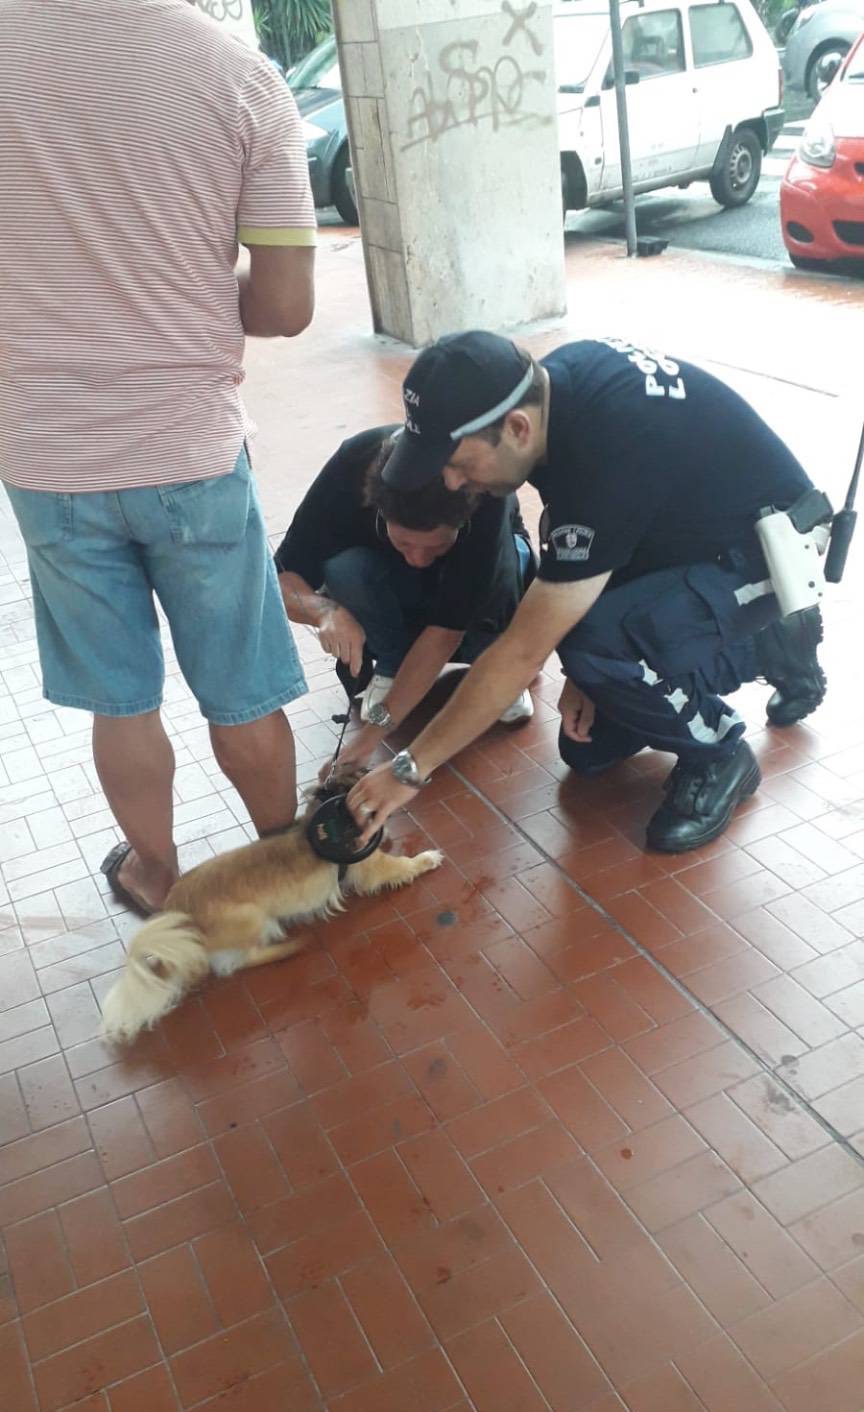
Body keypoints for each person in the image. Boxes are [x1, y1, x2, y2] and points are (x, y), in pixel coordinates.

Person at [0, 0, 317, 916]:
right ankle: (284, 872)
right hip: (192, 451)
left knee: (122, 702)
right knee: (244, 688)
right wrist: (190, 302)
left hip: (47, 458)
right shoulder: (241, 74)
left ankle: (156, 873)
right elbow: (288, 305)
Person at [346, 332, 827, 853]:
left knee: (596, 644)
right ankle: (767, 645)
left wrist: (410, 769)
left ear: (517, 428)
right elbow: (595, 542)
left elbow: (522, 650)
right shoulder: (552, 394)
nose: (455, 483)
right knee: (590, 750)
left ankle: (721, 752)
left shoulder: (608, 444)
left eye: (461, 464)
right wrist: (589, 678)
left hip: (764, 551)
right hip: (680, 541)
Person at [274, 426, 536, 774]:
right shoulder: (352, 465)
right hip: (397, 587)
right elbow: (281, 578)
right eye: (404, 543)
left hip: (480, 590)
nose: (418, 559)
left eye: (437, 546)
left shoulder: (484, 487)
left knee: (503, 572)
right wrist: (325, 612)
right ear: (379, 511)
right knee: (342, 566)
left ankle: (493, 659)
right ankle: (392, 664)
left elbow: (445, 632)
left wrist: (370, 737)